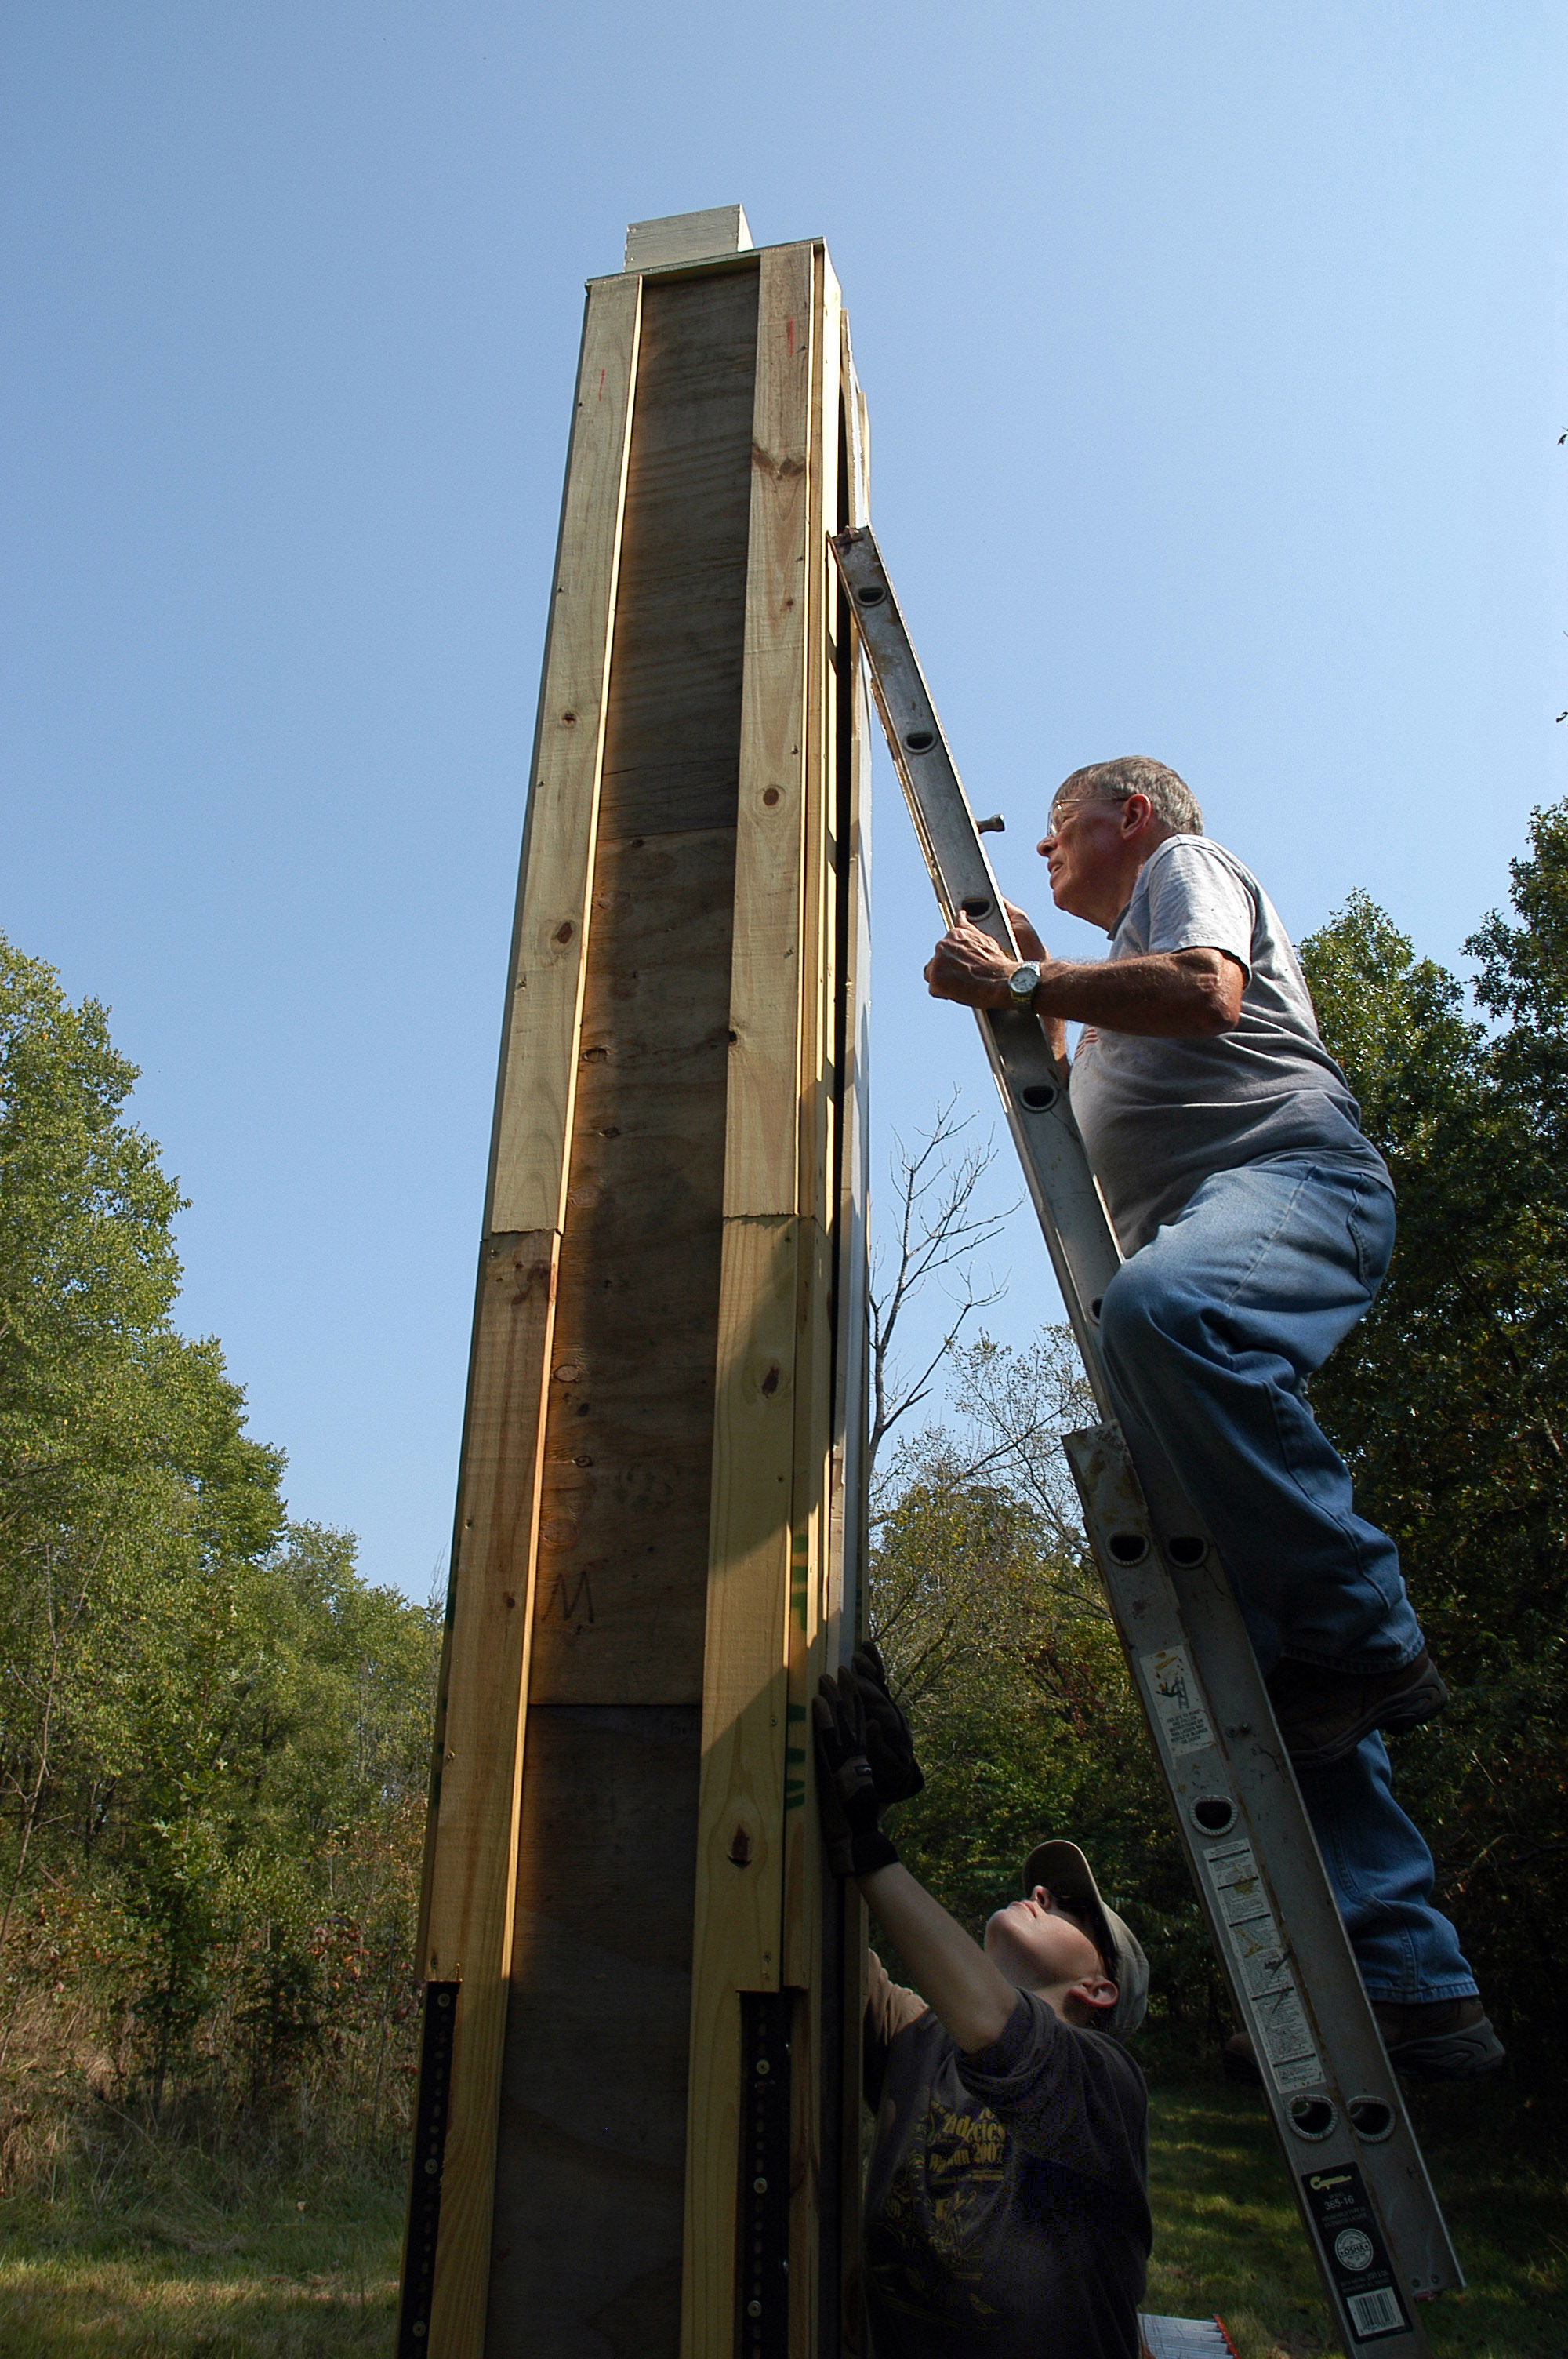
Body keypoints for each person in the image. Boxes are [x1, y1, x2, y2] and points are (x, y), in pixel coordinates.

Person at [923, 756, 1501, 2082]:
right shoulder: (1108, 983)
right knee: (1271, 1664)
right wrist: (1035, 1001)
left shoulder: (1189, 873)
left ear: (1129, 817)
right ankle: (1420, 1987)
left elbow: (1209, 994)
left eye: (1057, 828)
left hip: (1295, 1182)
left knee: (1161, 1312)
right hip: (1208, 1235)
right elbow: (1071, 1107)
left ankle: (1371, 1622)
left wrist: (1020, 980)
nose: (1047, 852)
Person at [814, 1650, 1152, 2359]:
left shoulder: (1102, 2083)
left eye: (1068, 1910)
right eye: (1043, 1890)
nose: (1040, 1895)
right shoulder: (919, 2035)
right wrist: (870, 1801)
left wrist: (871, 1839)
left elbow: (1000, 2030)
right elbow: (834, 1947)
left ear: (1099, 1990)